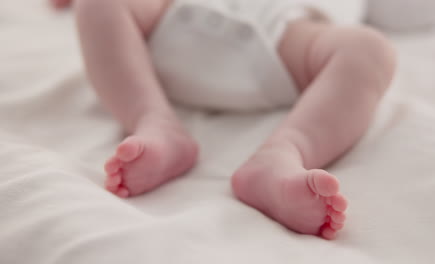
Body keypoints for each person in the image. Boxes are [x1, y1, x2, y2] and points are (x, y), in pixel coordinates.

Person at [50, 0, 396, 239]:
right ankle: (154, 122)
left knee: (370, 50)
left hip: (288, 39)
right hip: (169, 22)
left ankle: (282, 154)